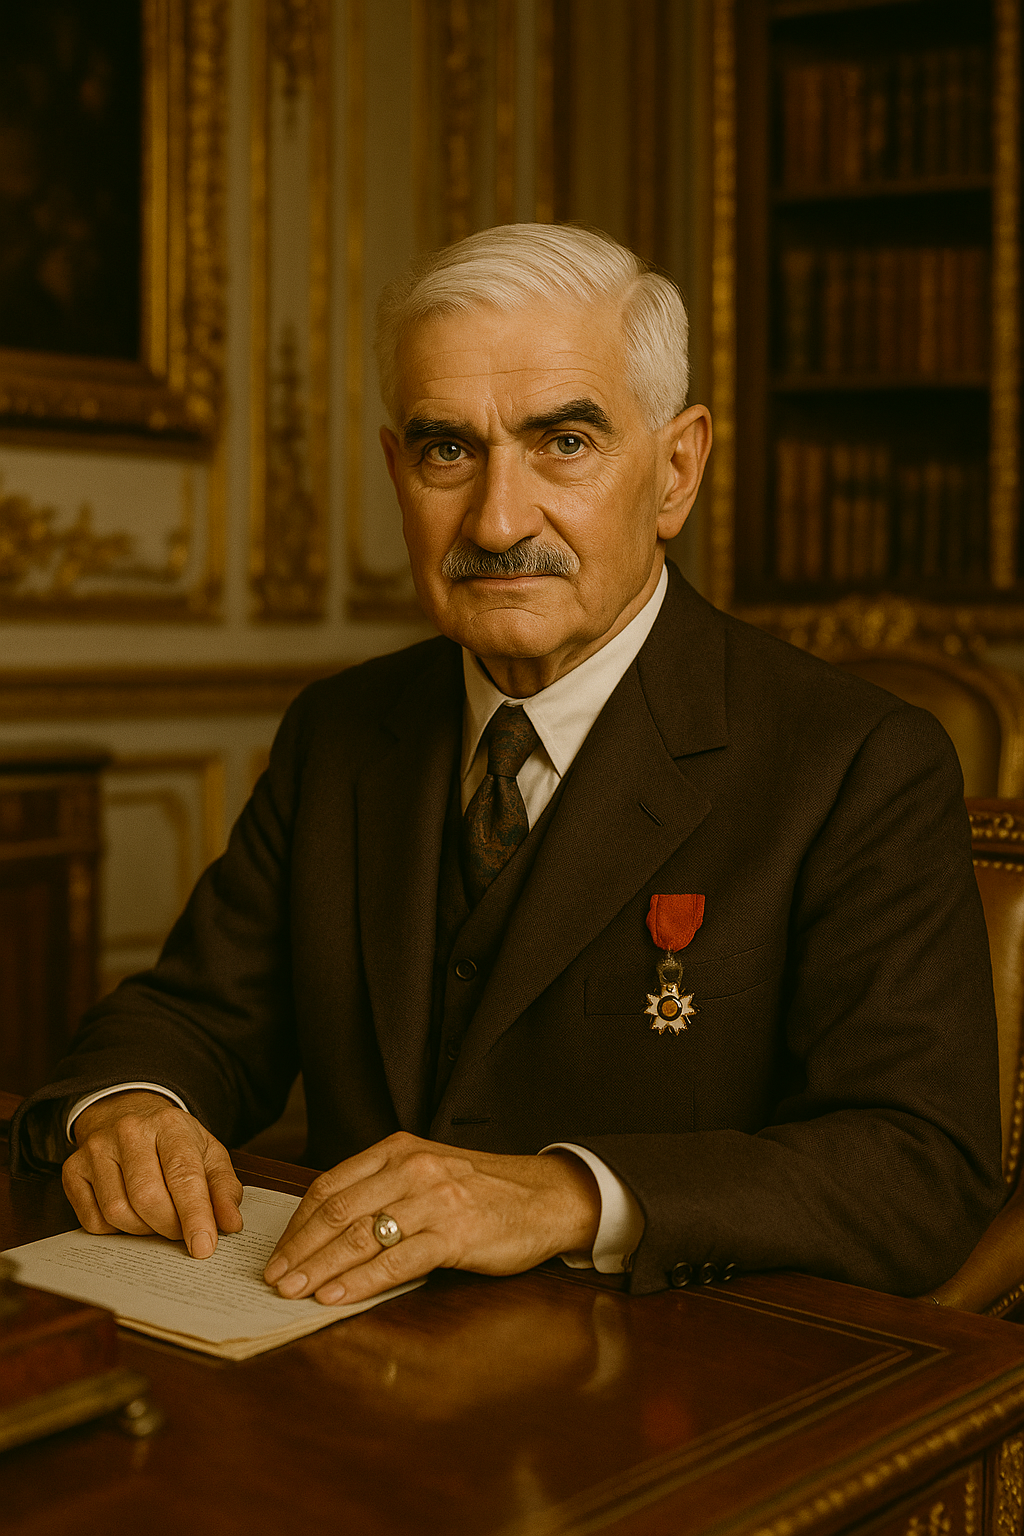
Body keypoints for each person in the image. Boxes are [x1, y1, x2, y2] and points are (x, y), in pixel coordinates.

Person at [11, 224, 1003, 1307]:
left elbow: (918, 1169)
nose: (494, 520)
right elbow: (194, 1016)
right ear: (397, 473)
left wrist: (566, 1196)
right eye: (447, 451)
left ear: (676, 471)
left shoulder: (858, 763)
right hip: (328, 1351)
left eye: (564, 443)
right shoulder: (341, 732)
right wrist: (131, 1107)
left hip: (669, 1369)